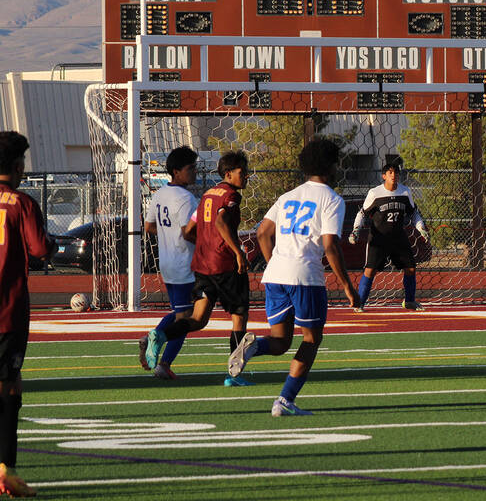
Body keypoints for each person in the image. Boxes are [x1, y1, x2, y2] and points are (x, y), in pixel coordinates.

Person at [227, 138, 360, 416]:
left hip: (275, 274)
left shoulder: (287, 196)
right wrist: (348, 286)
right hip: (305, 276)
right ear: (331, 166)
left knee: (280, 341)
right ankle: (285, 400)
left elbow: (263, 232)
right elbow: (330, 245)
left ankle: (253, 347)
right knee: (311, 339)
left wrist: (275, 259)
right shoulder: (332, 199)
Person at [144, 151, 254, 387]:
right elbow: (220, 222)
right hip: (223, 265)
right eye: (242, 172)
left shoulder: (206, 196)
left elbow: (188, 230)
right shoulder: (230, 195)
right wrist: (237, 252)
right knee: (239, 317)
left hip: (201, 266)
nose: (246, 176)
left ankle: (161, 335)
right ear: (228, 174)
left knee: (197, 318)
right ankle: (234, 375)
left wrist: (205, 244)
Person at [0, 131, 55, 497]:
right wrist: (50, 243)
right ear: (19, 167)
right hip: (6, 311)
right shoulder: (21, 203)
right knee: (8, 387)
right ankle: (6, 471)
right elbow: (39, 249)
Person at [138, 147, 200, 380]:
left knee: (182, 313)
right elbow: (187, 233)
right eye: (190, 168)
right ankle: (162, 356)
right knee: (187, 319)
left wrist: (168, 236)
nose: (194, 172)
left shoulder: (160, 193)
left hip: (167, 262)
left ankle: (155, 342)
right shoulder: (186, 198)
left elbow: (149, 226)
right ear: (176, 171)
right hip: (185, 263)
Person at [350, 155, 429, 311]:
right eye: (391, 173)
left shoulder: (405, 192)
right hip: (379, 238)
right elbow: (362, 213)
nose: (394, 176)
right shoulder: (375, 193)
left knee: (411, 268)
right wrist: (355, 231)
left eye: (397, 173)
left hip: (398, 237)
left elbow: (414, 213)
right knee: (370, 270)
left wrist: (421, 228)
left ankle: (410, 301)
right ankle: (360, 304)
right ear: (384, 176)